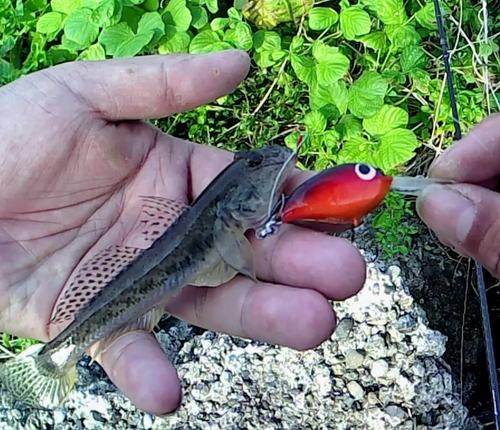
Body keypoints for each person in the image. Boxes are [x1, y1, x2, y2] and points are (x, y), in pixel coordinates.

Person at [0, 49, 496, 416]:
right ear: (238, 197)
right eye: (254, 164)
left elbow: (230, 254)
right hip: (135, 284)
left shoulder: (229, 213)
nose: (267, 162)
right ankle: (55, 355)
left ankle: (59, 351)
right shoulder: (223, 215)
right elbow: (231, 258)